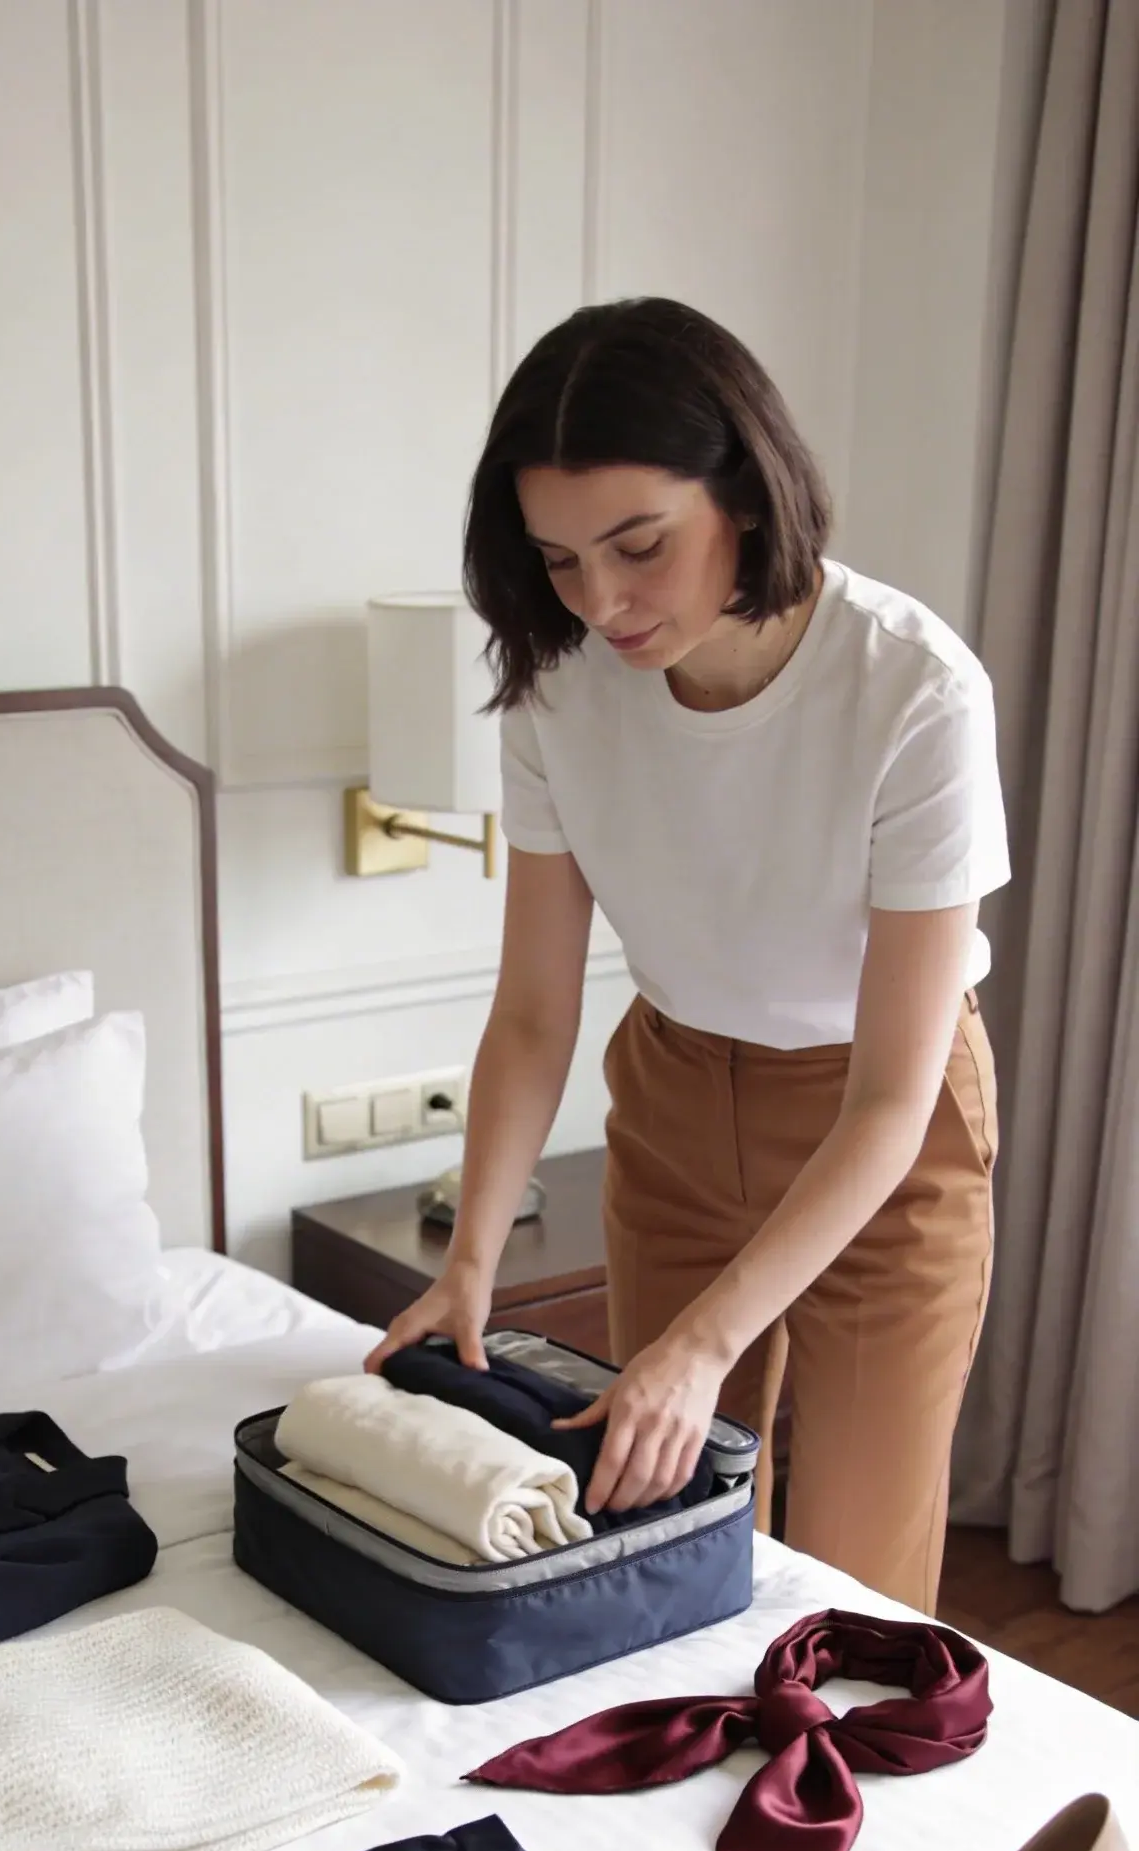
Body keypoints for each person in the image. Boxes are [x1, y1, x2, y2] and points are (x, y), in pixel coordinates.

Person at [368, 297, 1007, 1616]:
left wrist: (698, 1344)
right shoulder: (560, 683)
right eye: (556, 561)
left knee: (853, 1577)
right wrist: (471, 1260)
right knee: (659, 1532)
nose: (602, 602)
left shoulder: (912, 691)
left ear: (748, 496)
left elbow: (893, 1095)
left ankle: (842, 1811)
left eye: (638, 546)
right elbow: (536, 1012)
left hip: (876, 1127)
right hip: (668, 1098)